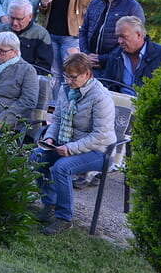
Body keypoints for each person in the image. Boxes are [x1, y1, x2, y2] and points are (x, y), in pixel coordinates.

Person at [31, 53, 115, 235]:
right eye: (66, 76)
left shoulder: (101, 97)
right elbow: (58, 119)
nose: (69, 81)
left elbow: (100, 135)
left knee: (61, 167)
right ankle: (49, 203)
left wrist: (70, 149)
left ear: (87, 74)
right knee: (37, 155)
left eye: (73, 77)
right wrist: (51, 138)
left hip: (99, 151)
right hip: (66, 143)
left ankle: (64, 218)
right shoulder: (65, 89)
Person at [39, 0, 104, 83]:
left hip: (71, 36)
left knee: (71, 73)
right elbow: (44, 11)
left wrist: (92, 15)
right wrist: (44, 4)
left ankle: (73, 104)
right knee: (55, 74)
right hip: (51, 33)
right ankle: (57, 104)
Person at [78, 0, 145, 69]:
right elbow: (83, 30)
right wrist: (86, 54)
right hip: (89, 64)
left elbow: (134, 40)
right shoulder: (95, 3)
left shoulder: (132, 7)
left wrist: (104, 59)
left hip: (115, 65)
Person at [101, 16, 161, 96]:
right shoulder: (115, 55)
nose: (119, 41)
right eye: (118, 37)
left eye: (123, 36)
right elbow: (106, 85)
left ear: (139, 35)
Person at [0, 0, 52, 73]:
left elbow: (44, 67)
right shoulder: (0, 31)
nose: (15, 23)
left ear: (30, 17)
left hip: (27, 77)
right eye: (12, 18)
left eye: (19, 19)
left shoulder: (41, 34)